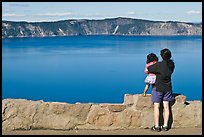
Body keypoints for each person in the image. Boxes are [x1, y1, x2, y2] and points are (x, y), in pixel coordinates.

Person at [147, 48, 175, 132]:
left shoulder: (159, 65)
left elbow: (149, 68)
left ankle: (157, 126)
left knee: (157, 107)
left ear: (162, 56)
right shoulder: (171, 65)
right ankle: (165, 126)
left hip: (158, 88)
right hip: (168, 88)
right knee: (166, 107)